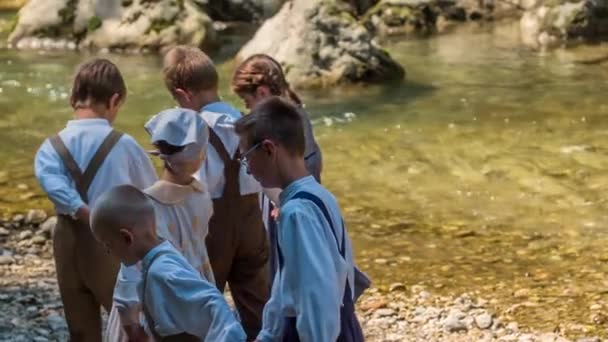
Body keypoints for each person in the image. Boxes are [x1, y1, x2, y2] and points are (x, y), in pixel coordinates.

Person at [34, 58, 157, 342]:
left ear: (72, 98)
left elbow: (53, 183)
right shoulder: (125, 144)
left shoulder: (50, 147)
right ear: (114, 100)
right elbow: (150, 195)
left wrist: (78, 208)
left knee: (80, 329)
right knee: (128, 322)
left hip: (67, 240)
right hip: (113, 242)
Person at [234, 97, 364, 341]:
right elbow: (286, 285)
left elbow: (316, 296)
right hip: (342, 325)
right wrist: (268, 335)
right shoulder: (320, 194)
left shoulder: (296, 213)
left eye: (246, 158)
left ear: (269, 149)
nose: (248, 169)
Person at [163, 45, 269, 340]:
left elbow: (185, 188)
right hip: (252, 227)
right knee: (258, 308)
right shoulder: (248, 123)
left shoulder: (192, 131)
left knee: (204, 310)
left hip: (211, 231)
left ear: (184, 96)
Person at [106, 108, 217, 341]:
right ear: (201, 153)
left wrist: (131, 326)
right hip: (194, 290)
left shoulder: (142, 205)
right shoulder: (202, 194)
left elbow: (131, 271)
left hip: (155, 299)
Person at [91, 185, 246, 342]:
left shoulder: (162, 273)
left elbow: (214, 304)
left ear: (126, 238)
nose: (108, 252)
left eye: (108, 244)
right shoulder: (156, 261)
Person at [231, 54, 323, 279]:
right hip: (301, 203)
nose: (248, 108)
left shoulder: (277, 125)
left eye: (247, 102)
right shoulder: (295, 113)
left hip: (288, 206)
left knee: (288, 269)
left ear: (262, 92)